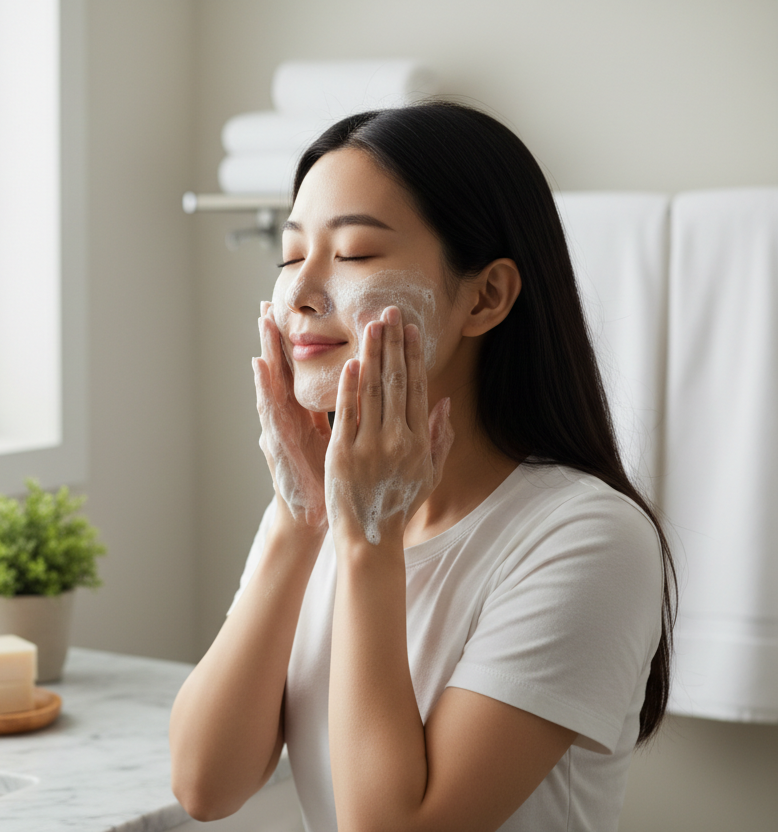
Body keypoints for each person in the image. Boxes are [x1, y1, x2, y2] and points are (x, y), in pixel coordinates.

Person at [169, 102, 675, 832]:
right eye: (289, 255)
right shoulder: (329, 508)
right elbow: (203, 784)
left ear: (487, 296)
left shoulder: (590, 539)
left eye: (355, 256)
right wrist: (299, 517)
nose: (303, 292)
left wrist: (370, 544)